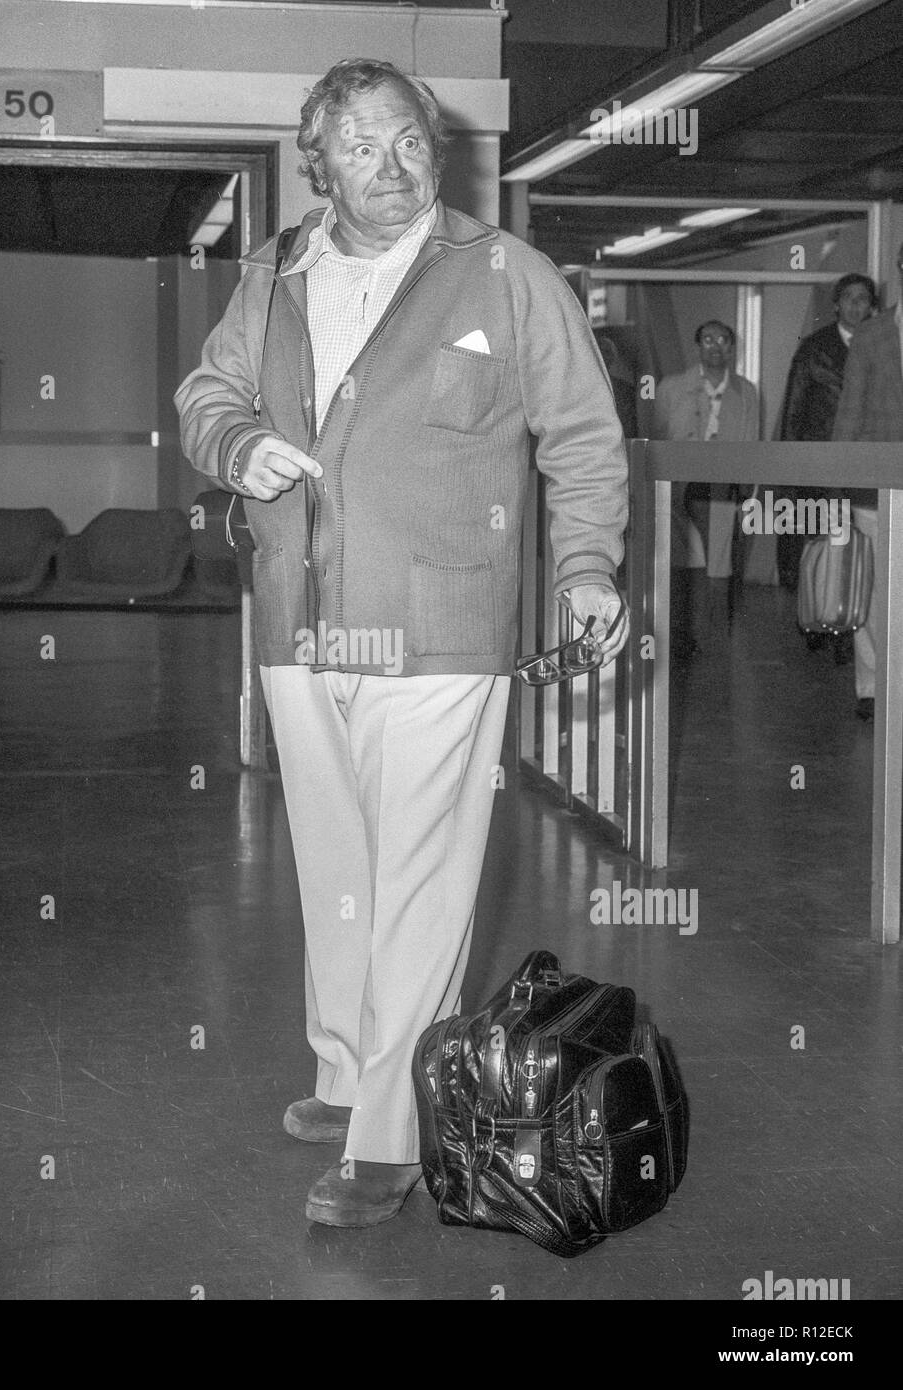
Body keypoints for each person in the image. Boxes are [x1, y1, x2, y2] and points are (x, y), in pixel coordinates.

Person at [175, 58, 629, 1227]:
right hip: (297, 619)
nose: (394, 165)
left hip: (441, 626)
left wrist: (585, 568)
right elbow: (204, 396)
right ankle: (345, 1070)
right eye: (362, 147)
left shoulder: (503, 273)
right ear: (316, 164)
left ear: (439, 149)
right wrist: (237, 446)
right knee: (335, 873)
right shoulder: (271, 273)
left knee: (419, 881)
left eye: (410, 141)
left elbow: (580, 432)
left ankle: (388, 1136)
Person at [777, 273, 877, 658]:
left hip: (864, 464)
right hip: (819, 464)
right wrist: (791, 465)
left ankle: (848, 625)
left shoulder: (881, 346)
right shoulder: (814, 348)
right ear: (836, 304)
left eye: (864, 299)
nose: (857, 305)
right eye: (849, 298)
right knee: (820, 546)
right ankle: (815, 618)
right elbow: (794, 408)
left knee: (857, 547)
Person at [655, 321, 760, 653]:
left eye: (724, 340)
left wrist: (749, 493)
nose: (716, 346)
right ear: (697, 345)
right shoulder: (672, 388)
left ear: (733, 347)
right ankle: (676, 636)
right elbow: (656, 436)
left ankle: (713, 640)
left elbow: (752, 444)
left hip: (721, 484)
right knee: (675, 562)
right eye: (709, 339)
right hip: (676, 483)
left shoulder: (746, 392)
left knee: (718, 564)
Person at [832, 245, 903, 721]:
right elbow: (850, 409)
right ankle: (873, 686)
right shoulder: (873, 335)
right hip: (877, 484)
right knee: (875, 588)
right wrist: (839, 480)